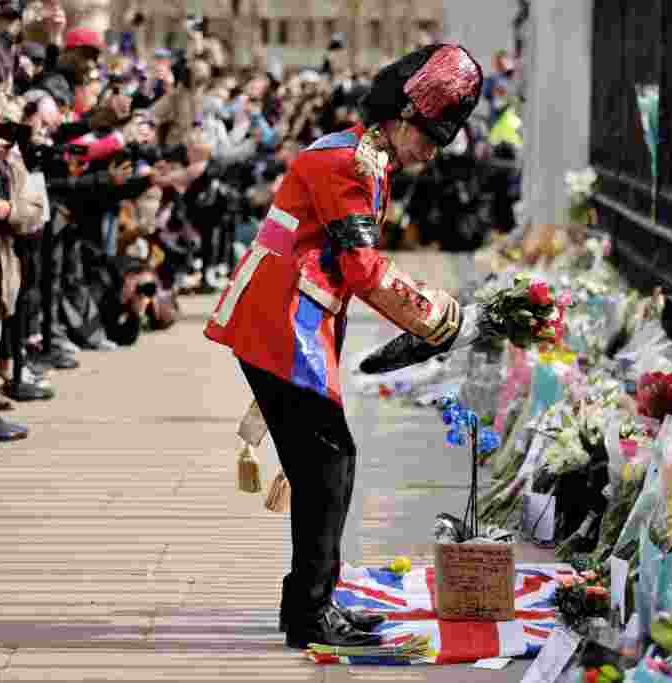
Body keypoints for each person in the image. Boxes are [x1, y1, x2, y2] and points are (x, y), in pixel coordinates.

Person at [204, 44, 483, 649]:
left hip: (287, 320)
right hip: (279, 324)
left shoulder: (361, 158)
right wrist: (440, 318)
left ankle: (308, 603)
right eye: (429, 137)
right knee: (329, 466)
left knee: (321, 467)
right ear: (401, 117)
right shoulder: (351, 164)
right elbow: (362, 269)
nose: (432, 152)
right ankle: (310, 613)